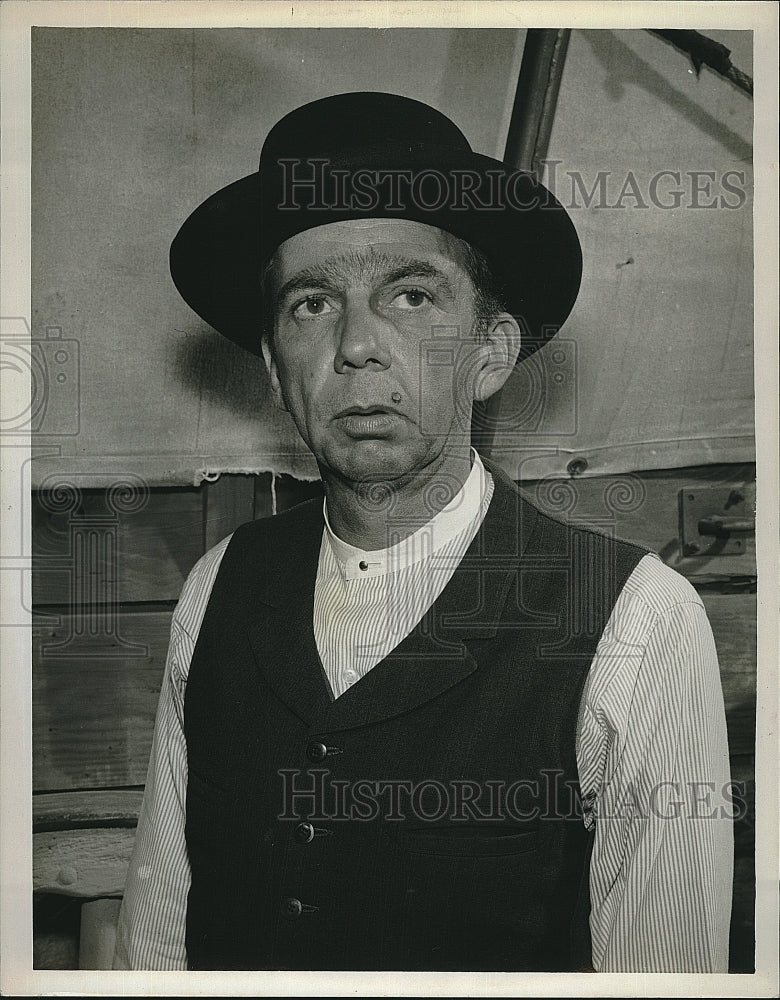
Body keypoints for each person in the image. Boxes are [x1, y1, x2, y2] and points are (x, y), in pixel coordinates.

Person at [113, 92, 733, 973]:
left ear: (490, 352)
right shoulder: (220, 587)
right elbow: (158, 931)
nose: (358, 346)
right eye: (312, 305)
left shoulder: (636, 621)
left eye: (410, 294)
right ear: (275, 370)